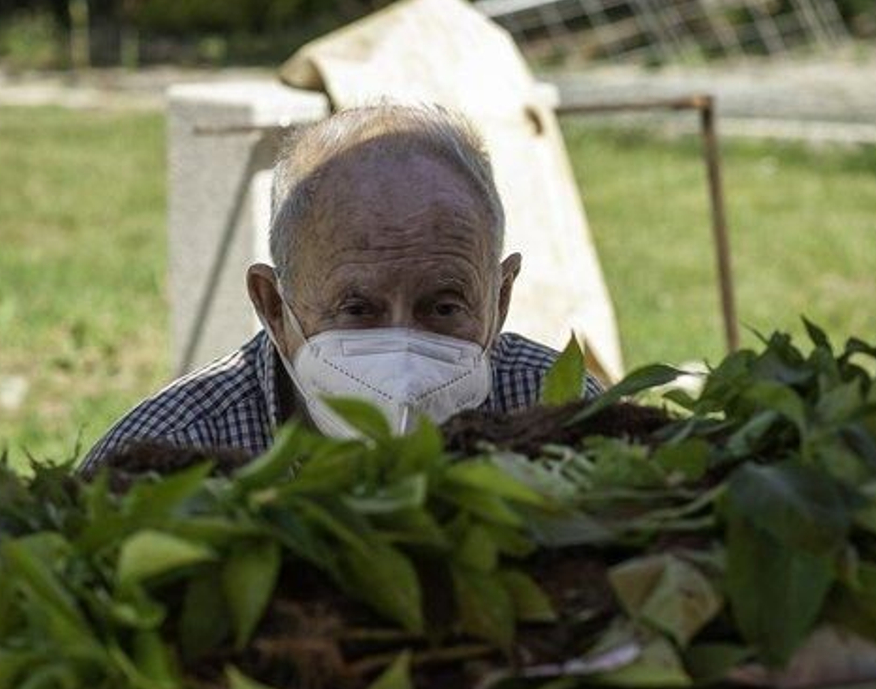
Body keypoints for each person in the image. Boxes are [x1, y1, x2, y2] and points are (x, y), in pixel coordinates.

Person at [81, 100, 598, 474]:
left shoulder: (567, 421)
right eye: (357, 309)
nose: (404, 357)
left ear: (500, 298)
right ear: (274, 308)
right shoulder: (166, 459)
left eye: (442, 307)